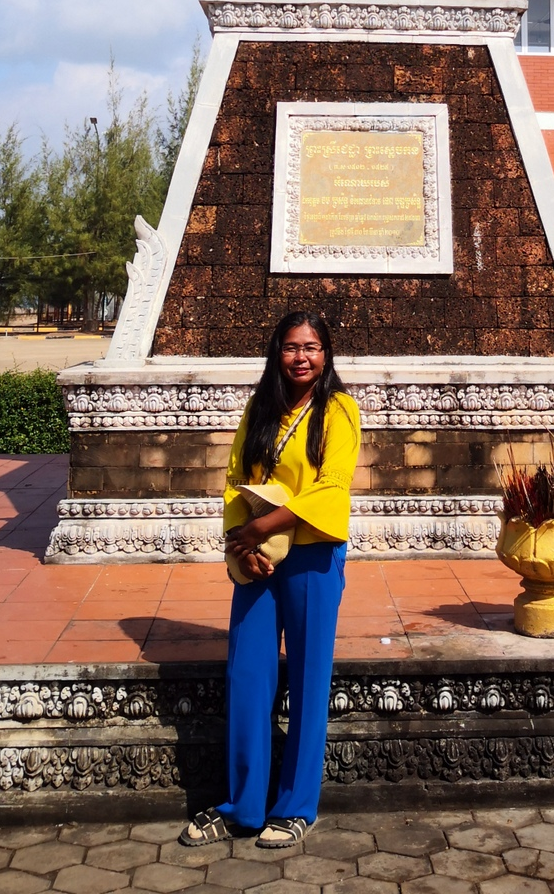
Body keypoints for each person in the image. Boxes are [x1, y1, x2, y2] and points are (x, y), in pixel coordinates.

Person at [179, 311, 361, 850]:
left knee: (308, 680)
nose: (301, 357)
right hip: (256, 561)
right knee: (248, 677)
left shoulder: (339, 411)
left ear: (326, 355)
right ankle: (243, 805)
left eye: (311, 347)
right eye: (290, 347)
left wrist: (264, 524)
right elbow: (235, 480)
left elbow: (333, 489)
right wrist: (242, 539)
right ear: (276, 353)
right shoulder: (259, 411)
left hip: (312, 559)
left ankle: (297, 806)